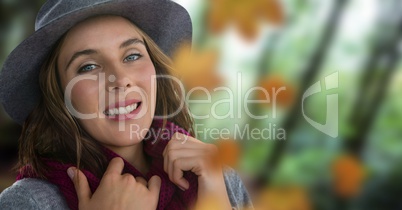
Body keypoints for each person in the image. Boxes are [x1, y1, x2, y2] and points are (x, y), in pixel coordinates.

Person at [0, 0, 253, 210]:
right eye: (88, 67)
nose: (121, 80)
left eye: (132, 56)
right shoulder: (28, 202)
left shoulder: (220, 179)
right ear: (57, 94)